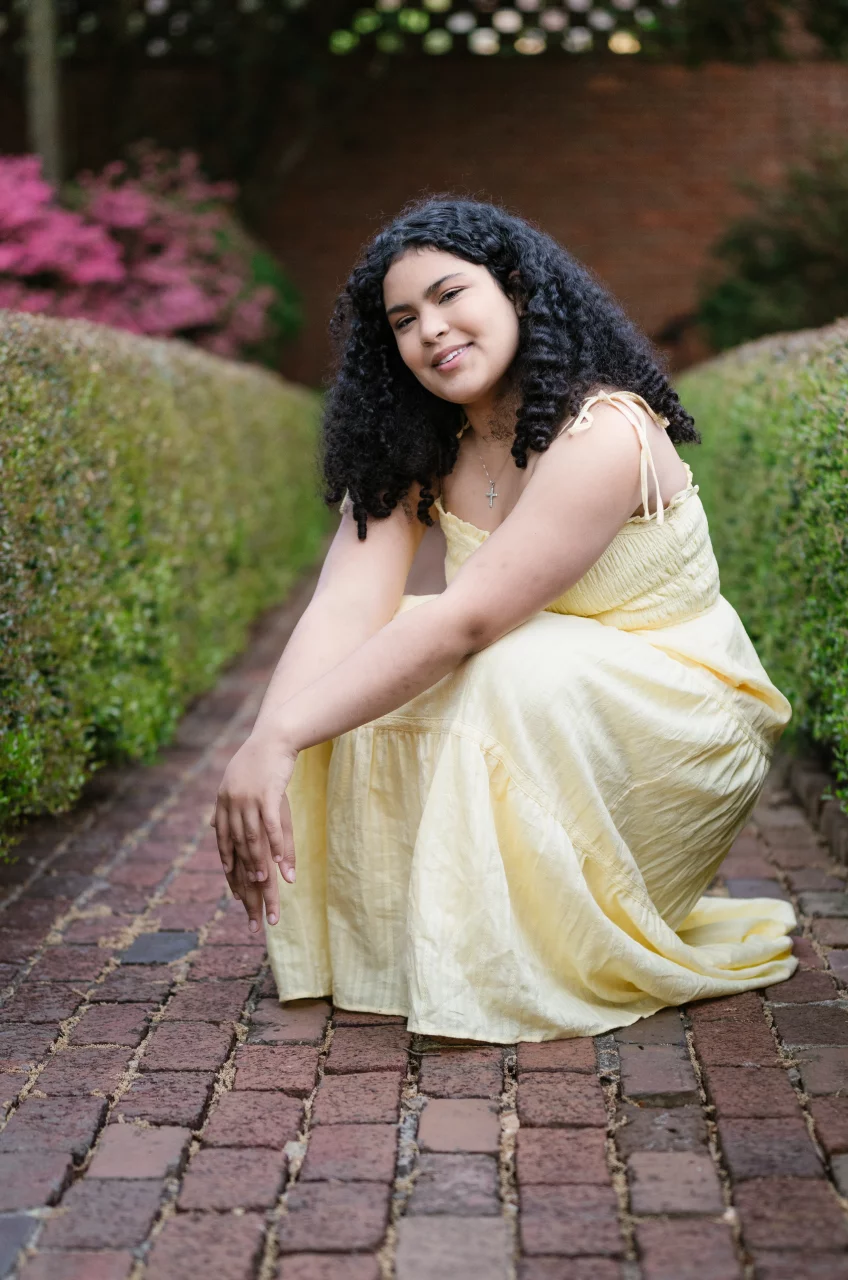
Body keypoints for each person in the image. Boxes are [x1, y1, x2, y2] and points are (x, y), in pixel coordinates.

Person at [212, 198, 797, 1043]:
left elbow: (468, 624)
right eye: (404, 320)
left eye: (452, 296)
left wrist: (281, 735)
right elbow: (345, 606)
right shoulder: (428, 442)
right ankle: (393, 952)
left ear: (517, 289)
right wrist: (267, 742)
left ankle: (513, 962)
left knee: (487, 662)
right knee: (353, 676)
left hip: (681, 722)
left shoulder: (603, 431)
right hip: (554, 700)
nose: (432, 331)